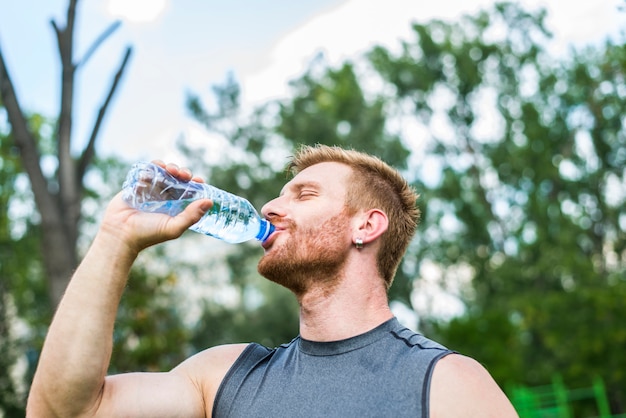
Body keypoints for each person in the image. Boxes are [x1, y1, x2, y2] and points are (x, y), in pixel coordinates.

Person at [27, 144, 518, 417]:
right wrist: (116, 238)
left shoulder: (445, 383)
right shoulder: (223, 378)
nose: (269, 208)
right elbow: (63, 412)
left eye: (303, 194)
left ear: (365, 226)